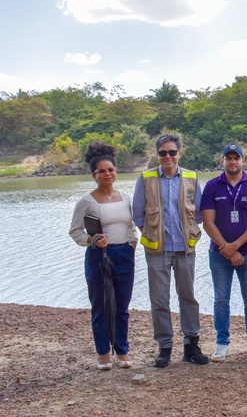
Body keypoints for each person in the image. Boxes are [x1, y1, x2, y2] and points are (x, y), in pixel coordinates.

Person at [133, 133, 208, 367]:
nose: (168, 156)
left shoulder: (191, 177)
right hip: (158, 249)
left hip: (185, 248)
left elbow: (200, 212)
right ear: (157, 155)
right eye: (163, 153)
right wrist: (154, 233)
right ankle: (164, 347)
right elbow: (138, 214)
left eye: (172, 152)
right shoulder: (145, 179)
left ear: (179, 154)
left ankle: (191, 345)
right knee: (159, 299)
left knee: (188, 297)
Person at [69, 143, 138, 370]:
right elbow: (76, 231)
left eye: (110, 169)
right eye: (101, 171)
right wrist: (91, 240)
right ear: (94, 175)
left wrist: (132, 243)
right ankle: (103, 354)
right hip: (99, 256)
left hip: (124, 255)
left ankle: (122, 350)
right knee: (100, 305)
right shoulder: (87, 202)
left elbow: (131, 225)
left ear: (115, 171)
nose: (107, 174)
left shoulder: (126, 197)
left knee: (121, 305)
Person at [201, 143, 247, 361]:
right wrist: (227, 249)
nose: (232, 162)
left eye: (236, 158)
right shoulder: (212, 186)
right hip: (218, 253)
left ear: (242, 161)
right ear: (222, 161)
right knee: (221, 299)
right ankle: (222, 343)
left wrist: (236, 246)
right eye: (228, 158)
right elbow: (208, 223)